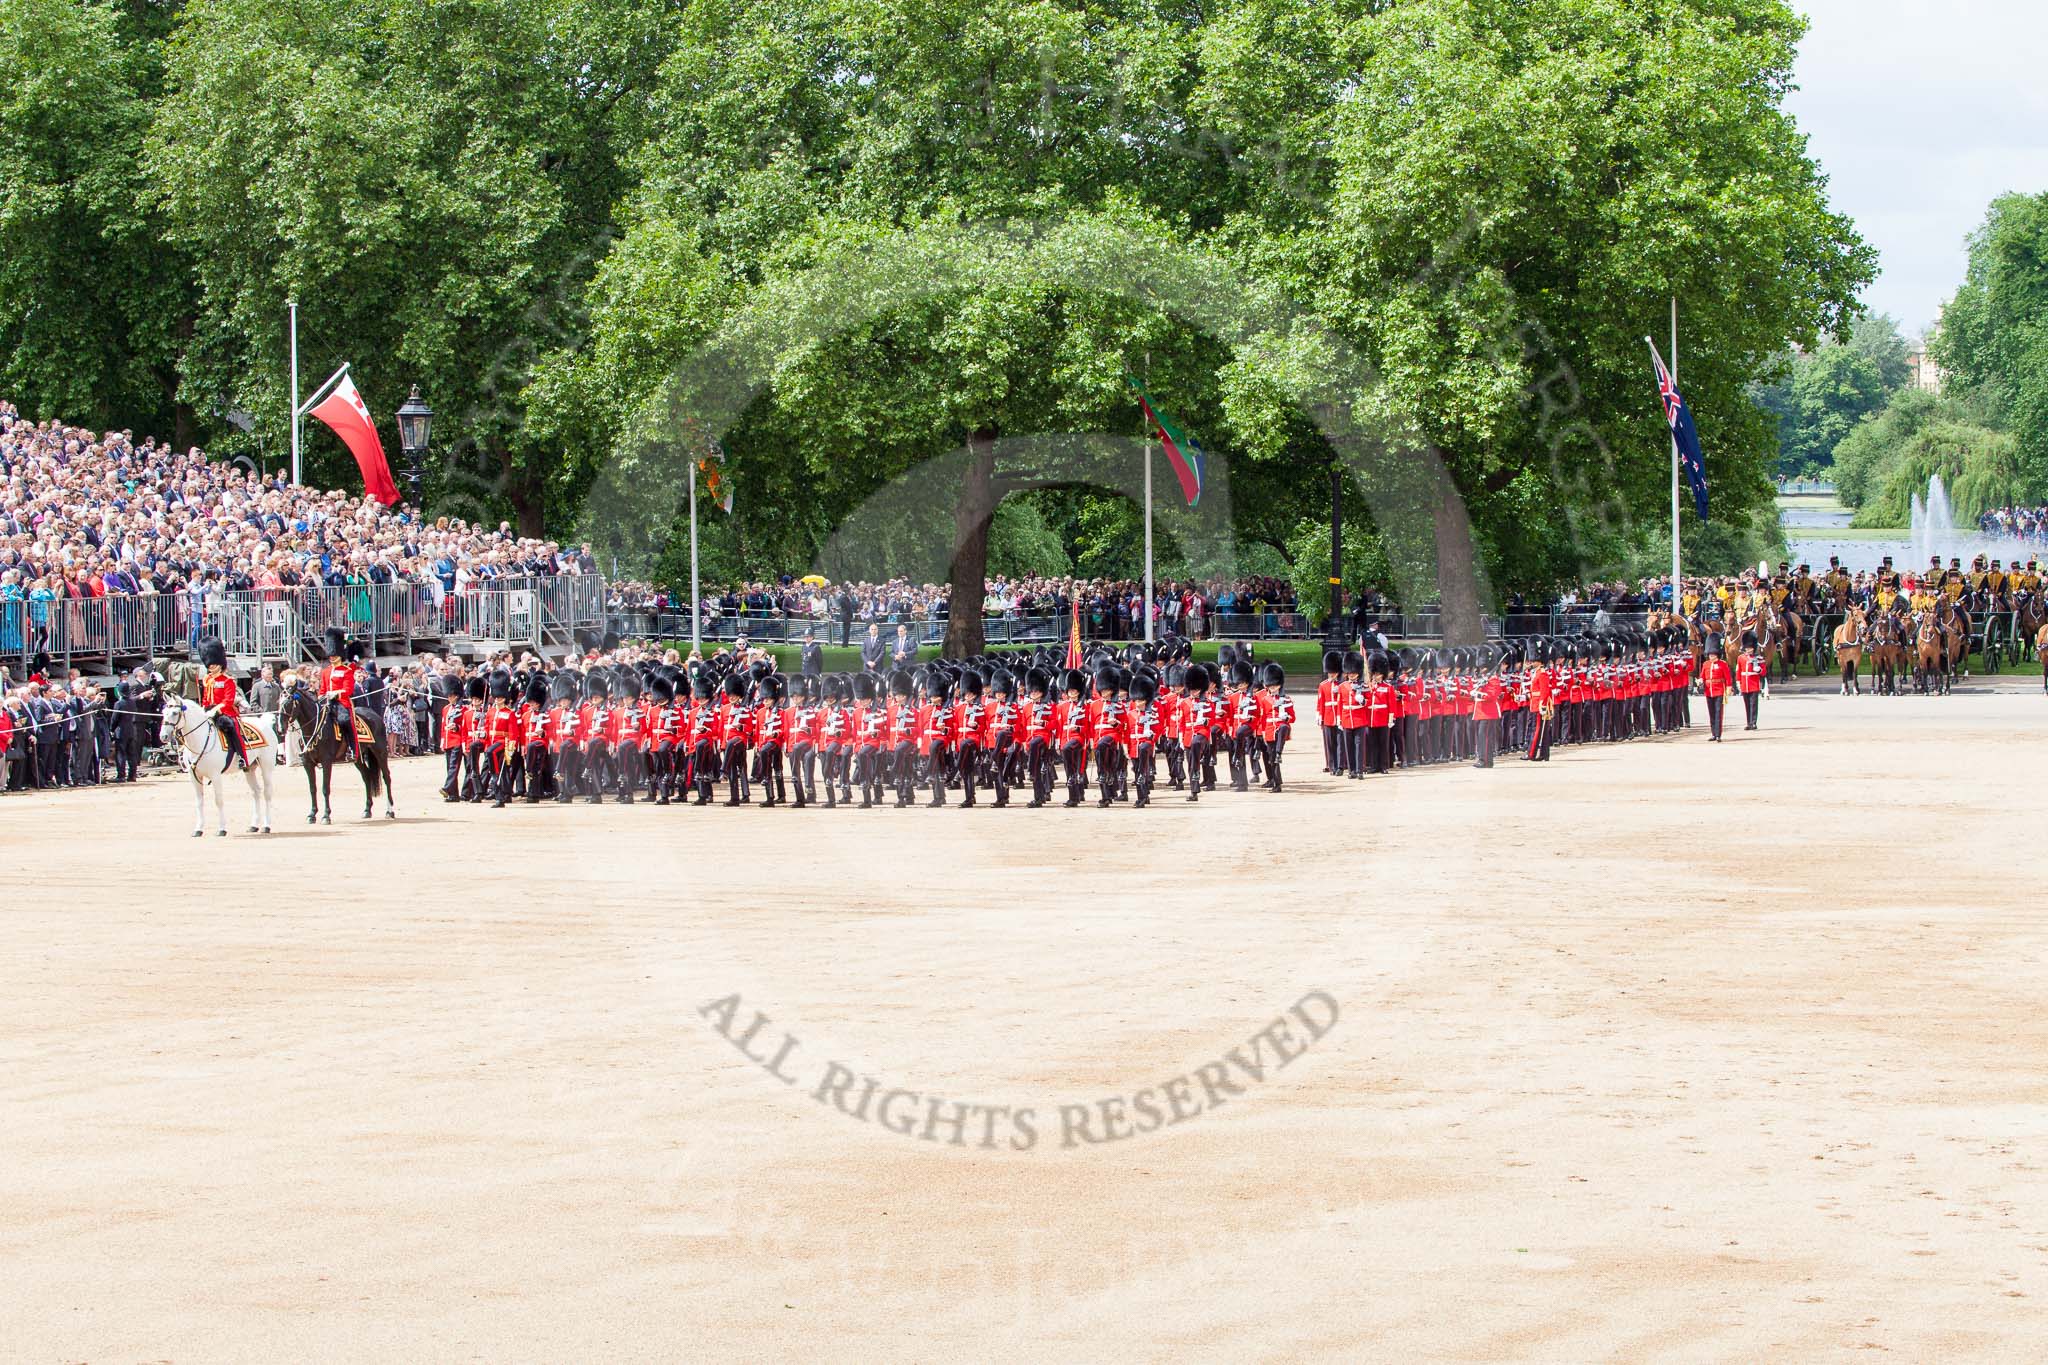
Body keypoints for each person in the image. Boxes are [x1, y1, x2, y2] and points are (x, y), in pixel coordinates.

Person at [197, 636, 249, 770]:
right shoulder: (207, 679)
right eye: (209, 663)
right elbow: (206, 698)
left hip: (225, 712)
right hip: (209, 711)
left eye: (213, 663)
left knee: (232, 727)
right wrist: (204, 708)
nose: (211, 665)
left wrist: (217, 710)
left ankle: (242, 758)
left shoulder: (228, 680)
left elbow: (228, 700)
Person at [1700, 637, 1733, 742]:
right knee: (1711, 713)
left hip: (1719, 691)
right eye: (1710, 655)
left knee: (1718, 713)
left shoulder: (1722, 664)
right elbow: (1702, 676)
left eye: (1713, 655)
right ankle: (1713, 733)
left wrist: (1728, 688)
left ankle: (1718, 734)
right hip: (1708, 691)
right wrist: (1700, 681)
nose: (1711, 657)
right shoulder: (1705, 664)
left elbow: (1728, 677)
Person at [1735, 632, 1766, 731]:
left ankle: (1753, 723)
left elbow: (1764, 671)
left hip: (1754, 684)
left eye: (1750, 648)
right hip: (1744, 684)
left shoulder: (1759, 658)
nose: (1748, 650)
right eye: (1747, 648)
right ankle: (1748, 723)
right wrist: (1738, 682)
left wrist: (1759, 670)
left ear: (1753, 648)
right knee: (1747, 705)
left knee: (1753, 704)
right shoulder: (1741, 658)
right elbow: (1738, 670)